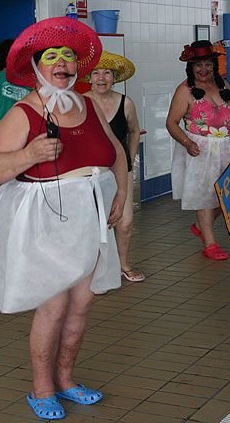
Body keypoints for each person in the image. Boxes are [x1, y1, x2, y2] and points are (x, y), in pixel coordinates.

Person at [0, 17, 128, 420]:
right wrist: (28, 155)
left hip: (89, 216)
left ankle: (66, 380)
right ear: (35, 66)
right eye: (52, 57)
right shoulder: (24, 112)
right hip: (45, 219)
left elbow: (117, 153)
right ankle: (41, 389)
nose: (62, 63)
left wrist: (121, 194)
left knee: (82, 302)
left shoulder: (89, 105)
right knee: (54, 305)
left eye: (68, 56)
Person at [166, 41, 230, 260]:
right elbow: (171, 123)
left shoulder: (224, 84)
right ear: (191, 67)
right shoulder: (184, 91)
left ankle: (201, 227)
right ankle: (210, 244)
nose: (203, 69)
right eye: (198, 65)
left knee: (229, 193)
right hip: (200, 149)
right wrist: (187, 143)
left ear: (214, 65)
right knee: (204, 196)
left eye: (207, 64)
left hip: (227, 145)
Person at [84, 51, 144, 285]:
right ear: (89, 78)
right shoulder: (81, 103)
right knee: (93, 222)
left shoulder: (125, 103)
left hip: (120, 169)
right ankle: (93, 268)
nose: (101, 78)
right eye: (96, 73)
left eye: (107, 73)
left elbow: (134, 131)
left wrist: (130, 158)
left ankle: (122, 264)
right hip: (89, 172)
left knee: (125, 221)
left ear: (114, 78)